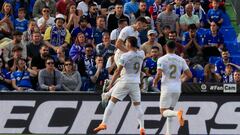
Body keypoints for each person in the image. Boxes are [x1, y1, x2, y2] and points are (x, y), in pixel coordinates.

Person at [93, 36, 146, 135]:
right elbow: (138, 50)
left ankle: (103, 123)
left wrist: (111, 84)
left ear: (129, 44)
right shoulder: (142, 54)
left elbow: (117, 71)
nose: (125, 44)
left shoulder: (125, 56)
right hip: (135, 83)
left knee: (112, 102)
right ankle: (142, 128)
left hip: (125, 81)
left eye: (126, 43)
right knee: (138, 106)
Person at [153, 40, 192, 135]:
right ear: (175, 48)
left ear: (166, 47)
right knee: (169, 110)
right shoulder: (181, 59)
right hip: (177, 88)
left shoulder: (162, 59)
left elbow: (158, 73)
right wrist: (181, 80)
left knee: (163, 111)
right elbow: (189, 75)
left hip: (167, 88)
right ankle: (169, 133)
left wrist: (155, 81)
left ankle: (177, 113)